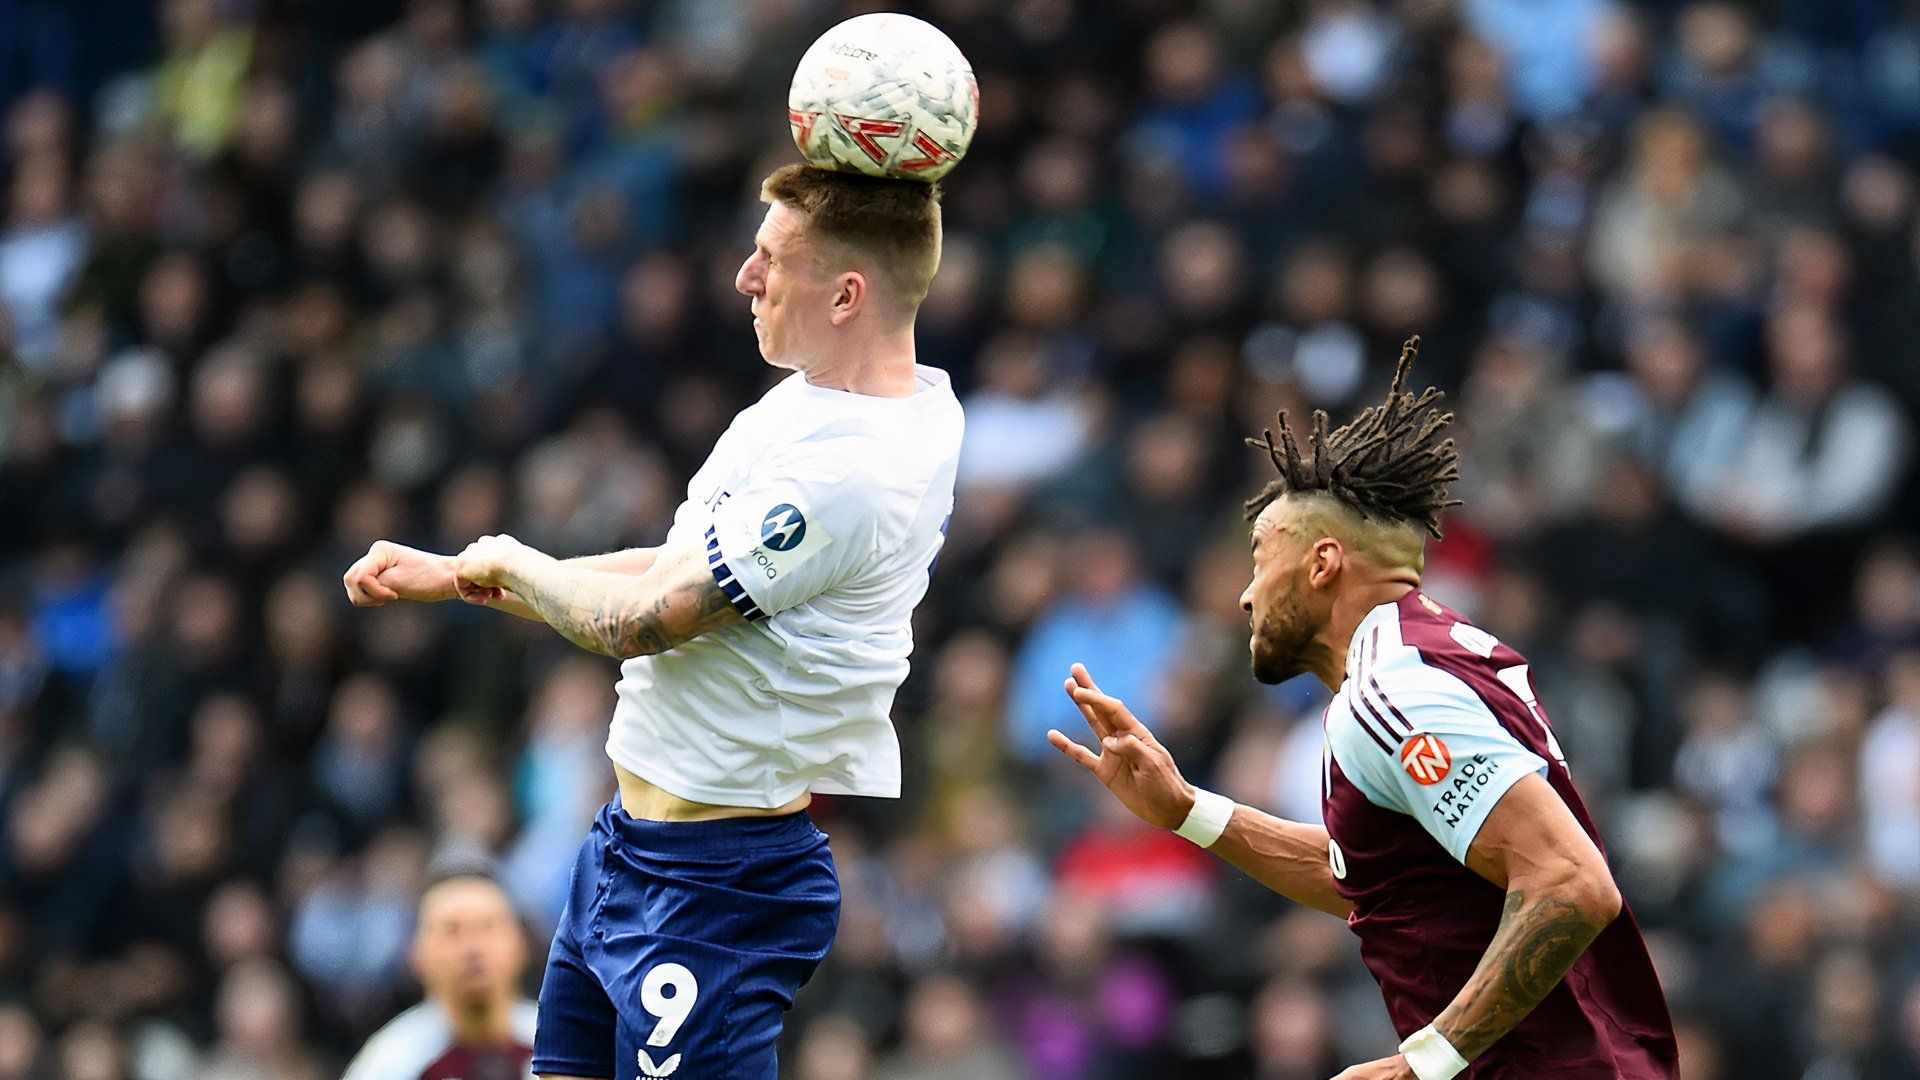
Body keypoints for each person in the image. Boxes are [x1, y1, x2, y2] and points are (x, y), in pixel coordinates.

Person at [340, 164, 964, 1079]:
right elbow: (674, 570)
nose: (745, 278)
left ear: (846, 296)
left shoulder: (856, 474)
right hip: (628, 849)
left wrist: (512, 560)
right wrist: (462, 574)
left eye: (770, 258)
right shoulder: (817, 401)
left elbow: (641, 623)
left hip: (717, 885)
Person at [1049, 338, 1679, 1079]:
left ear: (1322, 563)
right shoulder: (1422, 656)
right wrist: (1189, 810)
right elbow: (1379, 879)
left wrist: (1425, 1063)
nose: (1245, 596)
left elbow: (1572, 885)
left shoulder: (1396, 690)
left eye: (1260, 559)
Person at [343, 872, 537, 1080]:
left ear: (521, 944)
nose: (473, 948)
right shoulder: (389, 1064)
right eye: (452, 931)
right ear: (417, 954)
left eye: (488, 927)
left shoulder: (556, 1044)